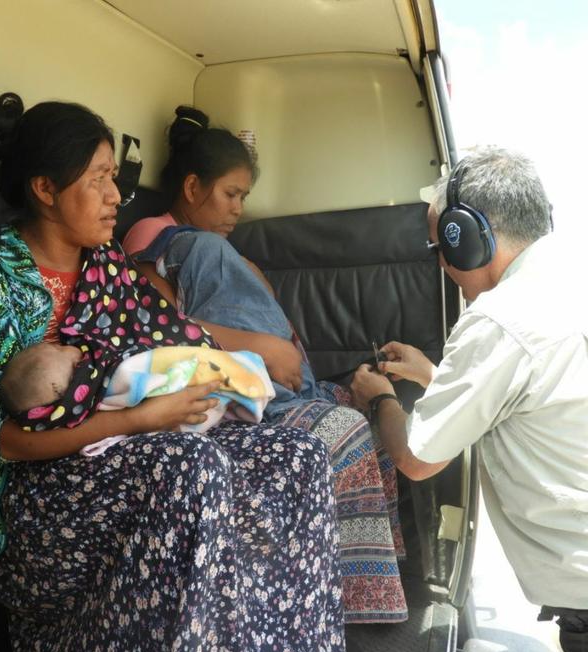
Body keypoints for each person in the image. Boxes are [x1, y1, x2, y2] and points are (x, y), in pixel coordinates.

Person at [0, 92, 348, 652]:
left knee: (297, 455)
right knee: (190, 465)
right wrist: (139, 420)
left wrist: (218, 382)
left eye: (115, 178)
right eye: (99, 180)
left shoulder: (108, 267)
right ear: (45, 188)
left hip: (133, 451)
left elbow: (173, 340)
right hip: (29, 502)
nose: (115, 196)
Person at [350, 147, 588, 652]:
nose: (443, 266)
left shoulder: (500, 318)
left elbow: (418, 458)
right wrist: (432, 373)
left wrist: (377, 399)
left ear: (465, 239)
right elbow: (537, 391)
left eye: (438, 248)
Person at [123, 106, 408, 624]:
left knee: (371, 418)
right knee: (342, 429)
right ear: (192, 187)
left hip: (277, 373)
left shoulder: (222, 249)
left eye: (244, 197)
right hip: (228, 385)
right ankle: (349, 600)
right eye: (231, 194)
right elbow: (160, 329)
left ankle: (364, 582)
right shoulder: (152, 235)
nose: (238, 209)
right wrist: (263, 347)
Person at [0, 341, 275, 455]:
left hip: (194, 416)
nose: (71, 348)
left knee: (301, 450)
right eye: (60, 349)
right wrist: (139, 418)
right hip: (61, 462)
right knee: (201, 460)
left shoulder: (109, 263)